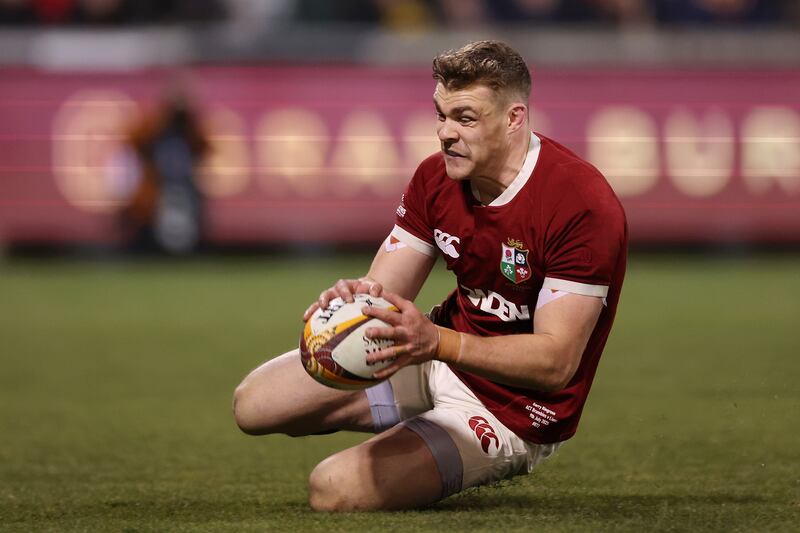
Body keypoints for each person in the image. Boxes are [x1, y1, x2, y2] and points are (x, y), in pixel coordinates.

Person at [233, 40, 627, 511]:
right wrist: (356, 302)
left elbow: (555, 363)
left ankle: (450, 447)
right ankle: (417, 434)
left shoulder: (580, 203)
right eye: (440, 114)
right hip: (433, 353)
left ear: (514, 118)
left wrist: (437, 342)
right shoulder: (435, 178)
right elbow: (385, 291)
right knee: (253, 404)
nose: (444, 133)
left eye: (464, 118)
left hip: (513, 411)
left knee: (332, 489)